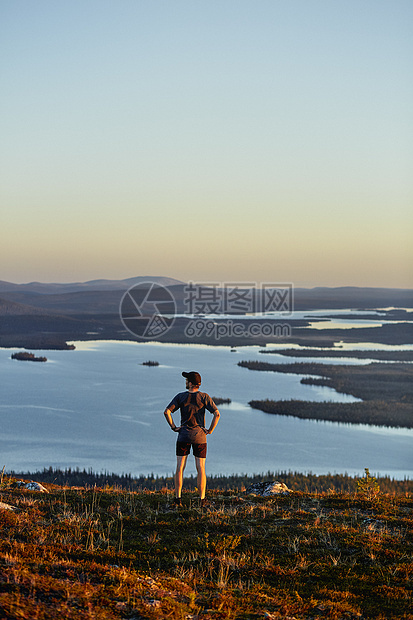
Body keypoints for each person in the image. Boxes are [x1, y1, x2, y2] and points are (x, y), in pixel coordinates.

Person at [163, 371, 220, 507]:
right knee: (200, 468)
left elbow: (167, 412)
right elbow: (217, 414)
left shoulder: (181, 396)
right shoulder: (204, 397)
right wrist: (210, 430)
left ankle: (178, 499)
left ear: (190, 383)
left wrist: (173, 427)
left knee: (180, 467)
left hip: (183, 435)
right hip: (200, 437)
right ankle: (201, 500)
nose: (185, 382)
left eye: (187, 380)